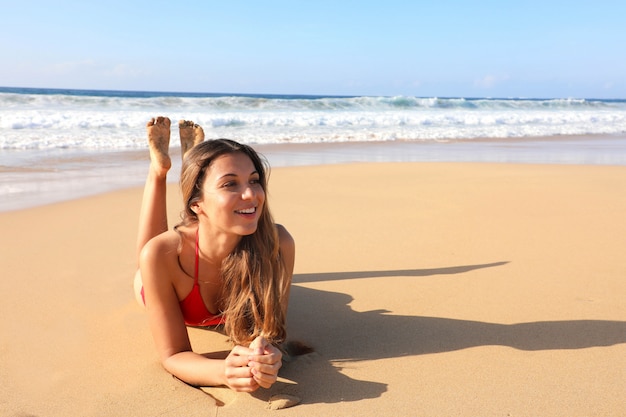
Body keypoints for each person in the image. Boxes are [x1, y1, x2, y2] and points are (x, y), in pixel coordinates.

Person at [133, 116, 295, 392]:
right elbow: (173, 355)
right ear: (196, 204)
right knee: (152, 251)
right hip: (162, 280)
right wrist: (223, 372)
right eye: (230, 184)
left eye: (254, 180)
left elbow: (272, 332)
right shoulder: (163, 255)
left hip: (204, 236)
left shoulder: (277, 245)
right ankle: (159, 171)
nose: (250, 194)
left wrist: (268, 357)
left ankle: (193, 166)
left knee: (173, 242)